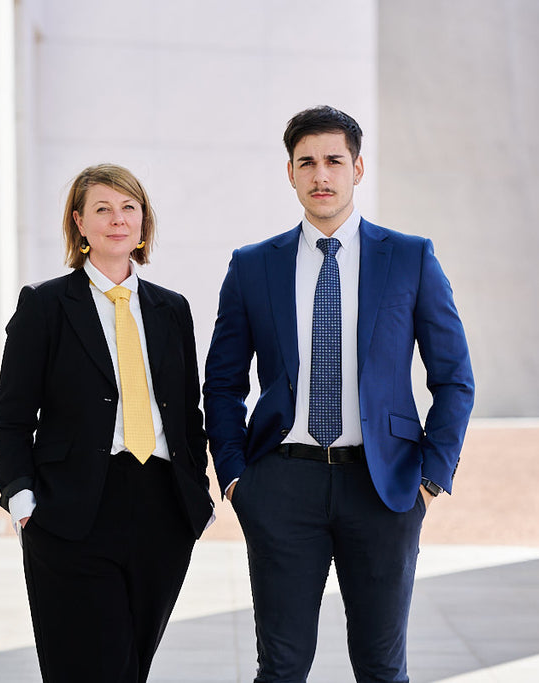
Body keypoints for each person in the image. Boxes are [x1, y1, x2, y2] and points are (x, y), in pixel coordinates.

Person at [203, 106, 475, 682]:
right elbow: (223, 382)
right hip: (281, 484)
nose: (320, 175)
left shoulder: (410, 257)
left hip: (384, 489)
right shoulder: (253, 266)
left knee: (381, 667)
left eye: (333, 161)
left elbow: (454, 378)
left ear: (357, 168)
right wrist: (235, 477)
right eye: (308, 163)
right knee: (280, 667)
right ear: (290, 173)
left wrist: (431, 478)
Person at [0, 163, 214, 682]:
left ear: (143, 222)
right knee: (88, 667)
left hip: (162, 508)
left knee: (132, 664)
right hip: (71, 511)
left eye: (128, 208)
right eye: (103, 209)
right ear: (79, 224)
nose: (118, 219)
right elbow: (12, 415)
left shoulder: (171, 309)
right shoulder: (45, 305)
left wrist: (196, 498)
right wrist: (22, 498)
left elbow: (186, 412)